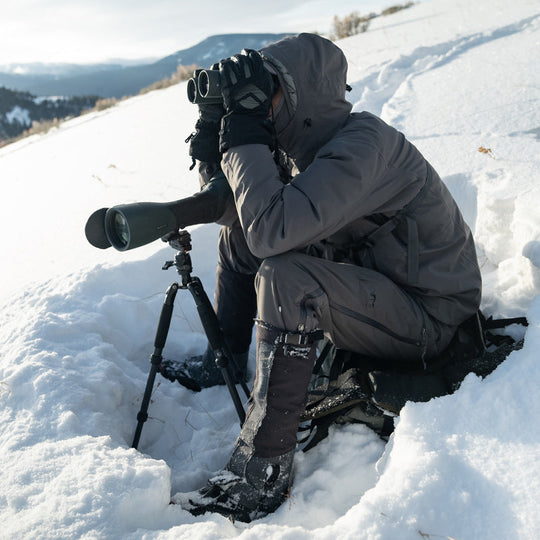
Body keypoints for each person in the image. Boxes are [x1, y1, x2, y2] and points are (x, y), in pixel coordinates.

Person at [169, 33, 482, 522]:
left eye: (265, 92)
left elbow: (272, 232)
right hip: (377, 283)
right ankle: (224, 360)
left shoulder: (365, 146)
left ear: (299, 97)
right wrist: (218, 131)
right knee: (239, 239)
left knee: (286, 274)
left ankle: (263, 469)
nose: (259, 106)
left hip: (428, 313)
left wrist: (246, 130)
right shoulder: (300, 150)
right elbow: (240, 215)